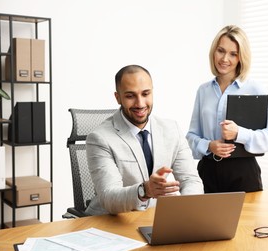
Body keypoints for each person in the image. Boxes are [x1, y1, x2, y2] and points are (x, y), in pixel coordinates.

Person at [86, 65, 204, 215]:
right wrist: (145, 190)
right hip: (110, 222)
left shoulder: (171, 129)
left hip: (155, 218)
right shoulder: (100, 138)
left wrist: (186, 212)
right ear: (118, 98)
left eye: (145, 94)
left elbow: (191, 180)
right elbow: (109, 198)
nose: (140, 103)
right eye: (130, 96)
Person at [186, 25, 268, 193]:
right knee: (205, 220)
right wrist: (209, 146)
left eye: (233, 54)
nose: (224, 58)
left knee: (244, 220)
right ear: (213, 52)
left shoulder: (255, 89)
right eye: (221, 51)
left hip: (243, 174)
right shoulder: (203, 91)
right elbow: (191, 137)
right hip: (207, 172)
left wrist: (239, 133)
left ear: (241, 57)